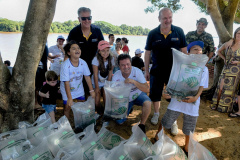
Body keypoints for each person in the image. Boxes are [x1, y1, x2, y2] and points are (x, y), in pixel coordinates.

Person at [154, 41, 209, 155]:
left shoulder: (204, 68)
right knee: (167, 120)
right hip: (177, 99)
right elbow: (173, 81)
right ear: (188, 53)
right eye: (195, 49)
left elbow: (202, 86)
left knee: (190, 124)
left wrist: (195, 98)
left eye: (200, 49)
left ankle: (187, 146)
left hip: (192, 101)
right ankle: (157, 137)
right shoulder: (181, 65)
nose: (198, 51)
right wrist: (165, 92)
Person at [144, 7, 187, 133]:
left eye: (170, 18)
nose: (168, 20)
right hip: (156, 70)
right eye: (165, 18)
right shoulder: (152, 33)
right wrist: (146, 70)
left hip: (174, 71)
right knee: (155, 94)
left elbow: (184, 52)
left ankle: (172, 120)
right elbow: (147, 53)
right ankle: (156, 113)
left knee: (173, 95)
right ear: (159, 19)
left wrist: (185, 70)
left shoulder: (178, 31)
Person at [67, 7, 104, 95]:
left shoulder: (97, 31)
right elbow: (68, 50)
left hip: (94, 64)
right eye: (83, 18)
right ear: (79, 19)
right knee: (81, 88)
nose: (87, 20)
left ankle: (93, 105)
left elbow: (102, 47)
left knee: (93, 88)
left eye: (89, 18)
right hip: (78, 65)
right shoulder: (74, 32)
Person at [112, 54, 151, 133]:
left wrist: (133, 81)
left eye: (127, 64)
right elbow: (114, 94)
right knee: (119, 122)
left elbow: (147, 89)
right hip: (125, 99)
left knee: (148, 103)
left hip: (139, 95)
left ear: (131, 64)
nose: (126, 67)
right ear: (119, 66)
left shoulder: (137, 71)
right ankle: (129, 108)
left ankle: (142, 124)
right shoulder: (116, 76)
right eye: (123, 65)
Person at [60, 40, 95, 119]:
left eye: (78, 48)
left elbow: (87, 77)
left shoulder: (83, 63)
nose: (77, 50)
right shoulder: (65, 65)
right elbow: (66, 82)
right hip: (67, 89)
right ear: (69, 53)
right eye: (74, 48)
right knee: (67, 107)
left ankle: (80, 122)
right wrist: (69, 98)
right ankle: (67, 124)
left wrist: (91, 90)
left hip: (78, 88)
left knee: (82, 104)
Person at [210, 27, 240, 113]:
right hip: (226, 69)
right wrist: (224, 58)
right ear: (235, 34)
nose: (239, 35)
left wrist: (238, 62)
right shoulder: (230, 43)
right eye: (238, 33)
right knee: (221, 88)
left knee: (230, 90)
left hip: (236, 72)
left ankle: (224, 108)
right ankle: (216, 105)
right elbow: (218, 51)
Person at [92, 40, 114, 114]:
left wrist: (107, 85)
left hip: (105, 81)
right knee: (97, 100)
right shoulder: (96, 59)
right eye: (103, 51)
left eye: (107, 50)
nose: (106, 53)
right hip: (97, 81)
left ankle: (106, 111)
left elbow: (110, 73)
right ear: (99, 51)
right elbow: (95, 74)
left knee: (106, 96)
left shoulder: (111, 59)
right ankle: (99, 111)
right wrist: (97, 87)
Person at [35, 44, 49, 109]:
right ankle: (36, 103)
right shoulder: (42, 46)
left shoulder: (44, 46)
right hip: (37, 69)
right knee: (36, 87)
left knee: (40, 86)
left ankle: (40, 101)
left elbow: (45, 59)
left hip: (42, 69)